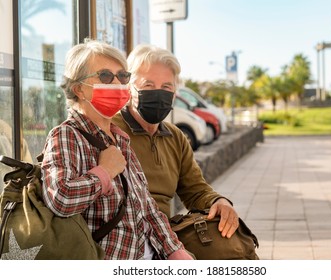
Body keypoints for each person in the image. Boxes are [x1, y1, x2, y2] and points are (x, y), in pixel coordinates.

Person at [40, 39, 193, 260]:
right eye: (104, 76)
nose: (116, 83)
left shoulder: (120, 138)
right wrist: (104, 172)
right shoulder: (66, 135)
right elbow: (60, 199)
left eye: (122, 76)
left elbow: (146, 206)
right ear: (78, 89)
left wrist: (174, 250)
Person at [112, 44, 239, 239]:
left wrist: (219, 201)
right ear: (129, 86)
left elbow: (195, 190)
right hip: (123, 240)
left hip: (164, 238)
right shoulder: (110, 130)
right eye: (148, 85)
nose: (158, 93)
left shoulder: (175, 137)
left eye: (166, 87)